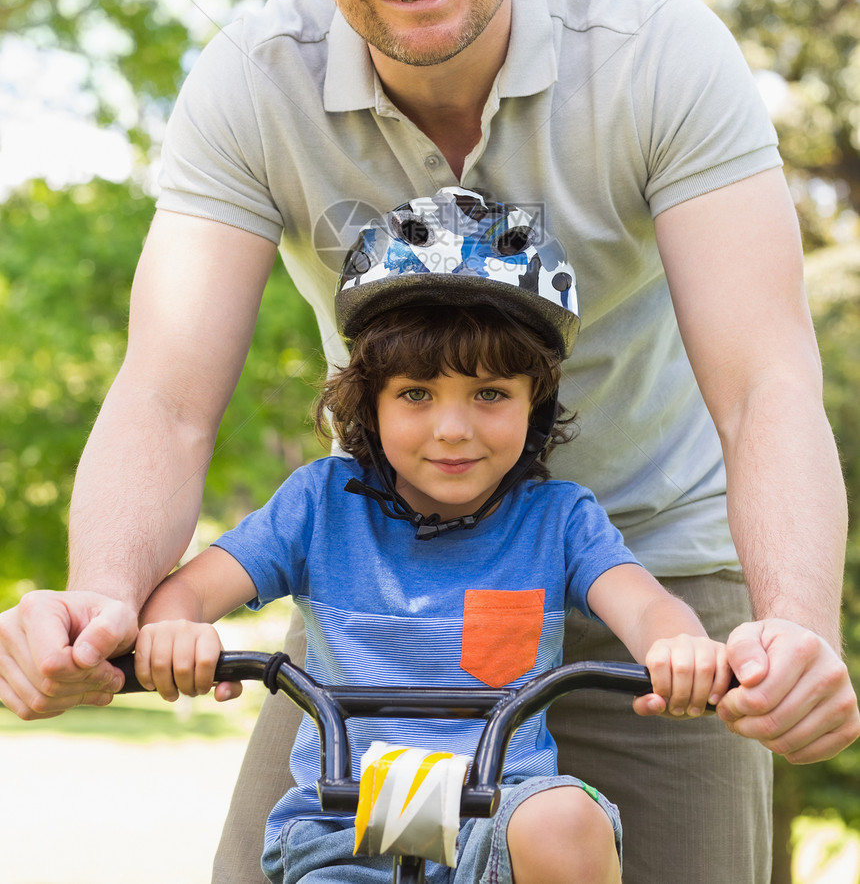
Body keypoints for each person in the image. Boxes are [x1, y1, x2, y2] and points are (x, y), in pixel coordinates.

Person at [0, 0, 856, 883]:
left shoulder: (657, 56)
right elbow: (164, 393)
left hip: (648, 578)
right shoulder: (254, 84)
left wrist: (791, 625)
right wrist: (106, 604)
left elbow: (762, 386)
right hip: (382, 588)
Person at [132, 188, 733, 884]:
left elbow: (647, 608)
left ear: (533, 403)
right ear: (370, 402)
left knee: (567, 821)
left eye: (490, 394)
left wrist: (679, 647)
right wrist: (175, 630)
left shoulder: (559, 519)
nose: (453, 429)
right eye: (416, 394)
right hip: (344, 827)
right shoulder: (319, 505)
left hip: (499, 824)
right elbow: (187, 595)